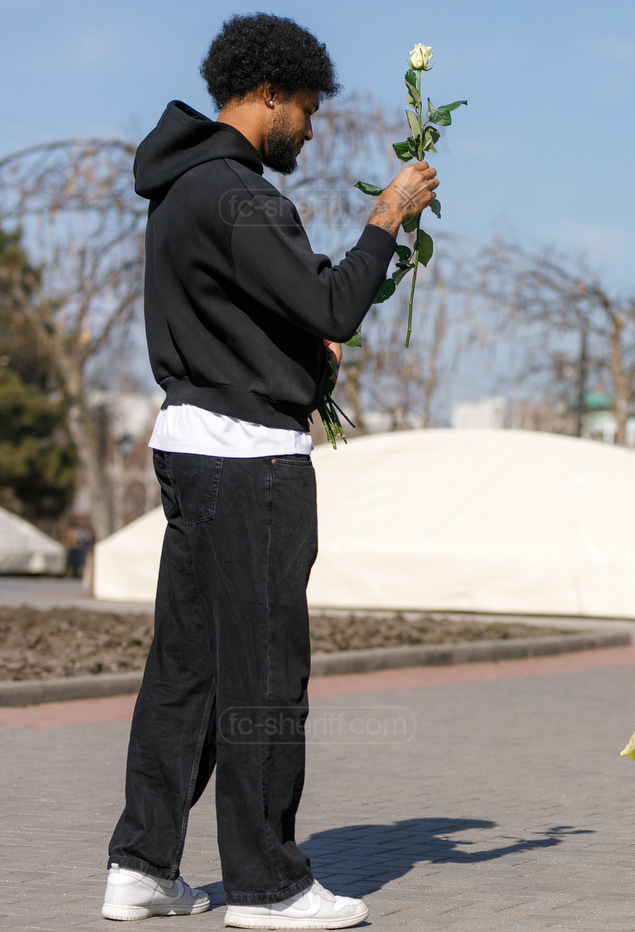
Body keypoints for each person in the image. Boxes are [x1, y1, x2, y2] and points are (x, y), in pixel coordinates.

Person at [102, 14, 437, 929]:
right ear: (268, 94)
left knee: (187, 670)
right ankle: (268, 885)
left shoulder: (181, 187)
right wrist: (387, 217)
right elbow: (331, 303)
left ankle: (142, 866)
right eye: (309, 111)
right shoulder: (239, 193)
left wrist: (299, 349)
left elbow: (256, 315)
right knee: (264, 678)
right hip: (249, 461)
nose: (312, 131)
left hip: (192, 446)